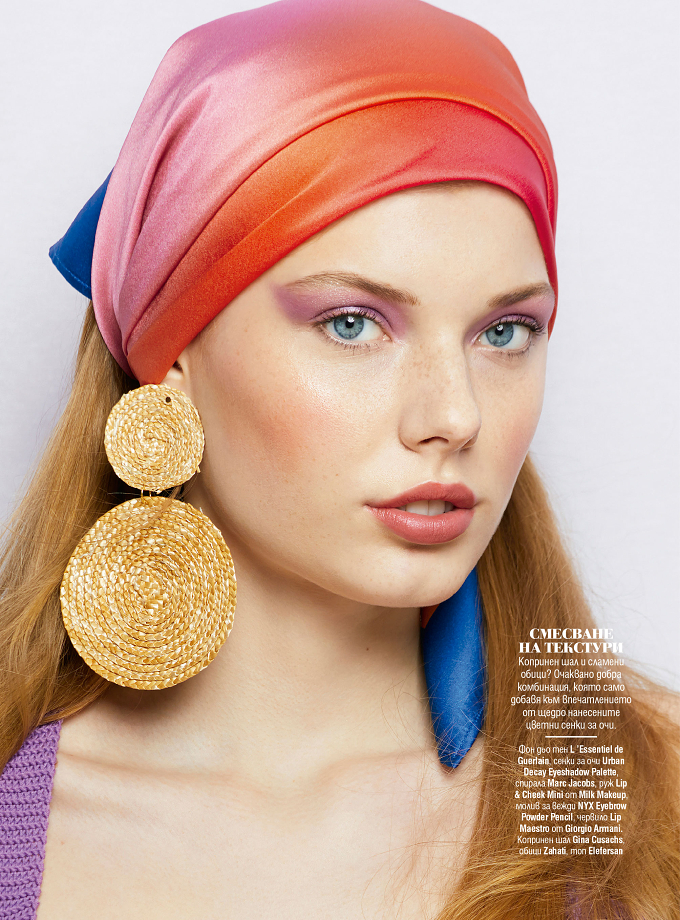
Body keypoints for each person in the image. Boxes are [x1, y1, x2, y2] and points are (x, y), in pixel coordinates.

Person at [0, 1, 677, 918]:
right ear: (175, 356)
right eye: (352, 324)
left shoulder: (654, 800)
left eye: (505, 331)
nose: (455, 415)